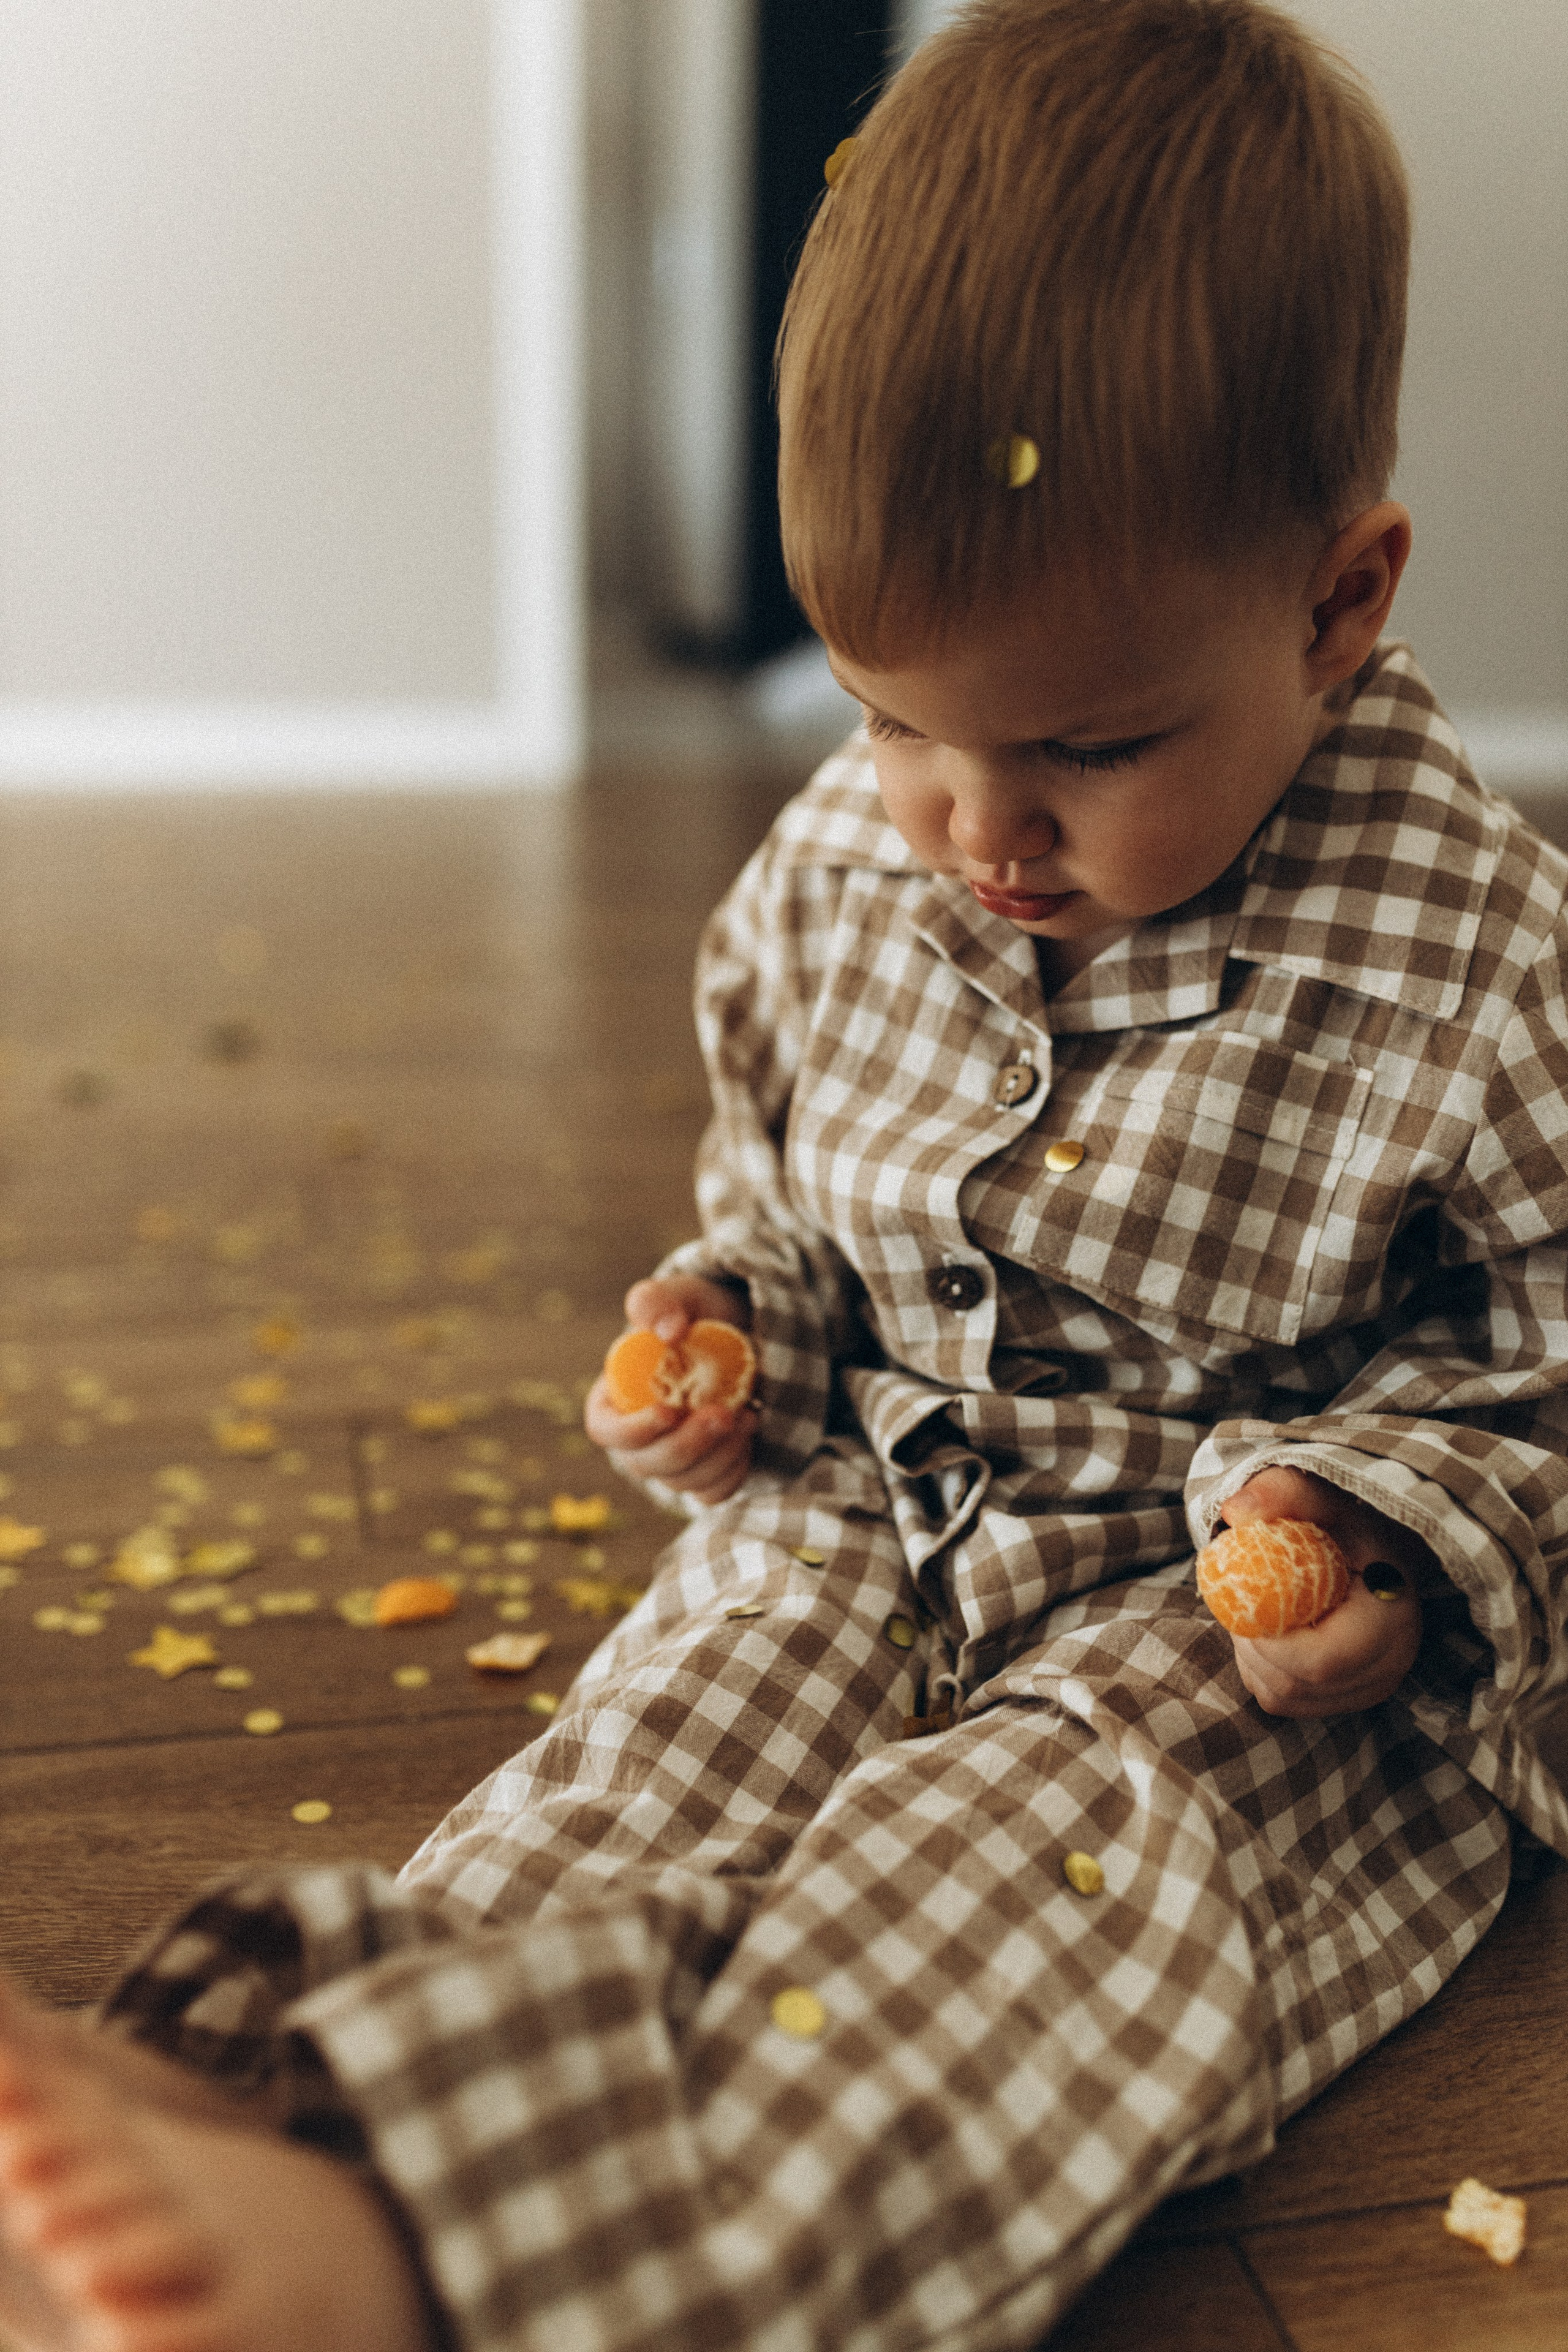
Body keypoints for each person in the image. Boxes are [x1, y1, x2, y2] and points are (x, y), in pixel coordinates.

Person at [4, 2, 1567, 2347]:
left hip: (1230, 1643)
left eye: (1091, 745)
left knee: (1002, 1914)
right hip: (876, 1503)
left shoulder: (1477, 958)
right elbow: (793, 1195)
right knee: (643, 1762)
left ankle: (462, 2279)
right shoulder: (853, 865)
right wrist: (733, 1334)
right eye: (888, 713)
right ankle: (295, 2099)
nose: (976, 828)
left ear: (1338, 606)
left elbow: (1543, 1385)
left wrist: (1386, 1542)